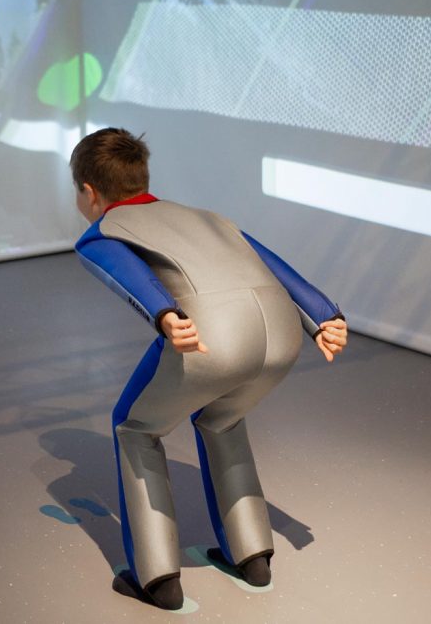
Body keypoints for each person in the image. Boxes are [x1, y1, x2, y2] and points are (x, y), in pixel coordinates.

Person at [71, 128, 348, 610]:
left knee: (134, 428)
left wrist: (163, 314)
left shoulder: (104, 230)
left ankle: (157, 579)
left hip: (209, 338)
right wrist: (323, 316)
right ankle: (252, 556)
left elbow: (124, 271)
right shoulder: (208, 217)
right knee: (222, 419)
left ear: (90, 192)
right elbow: (270, 262)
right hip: (281, 336)